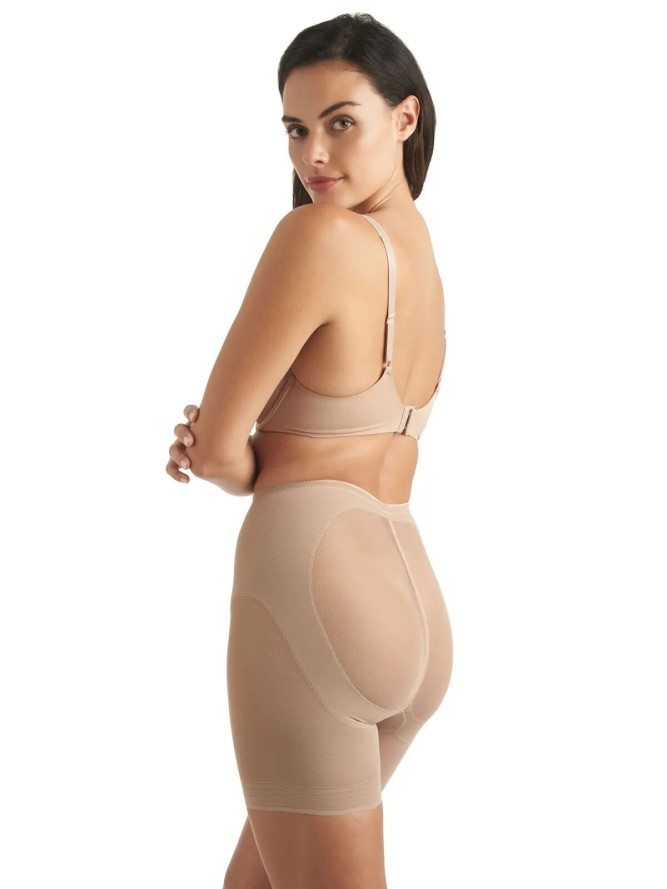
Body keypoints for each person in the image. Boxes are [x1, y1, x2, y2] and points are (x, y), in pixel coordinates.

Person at [166, 13, 454, 889]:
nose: (312, 155)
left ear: (404, 117)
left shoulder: (317, 236)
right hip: (405, 592)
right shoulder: (417, 250)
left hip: (309, 594)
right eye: (295, 129)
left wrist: (230, 449)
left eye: (340, 122)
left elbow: (222, 452)